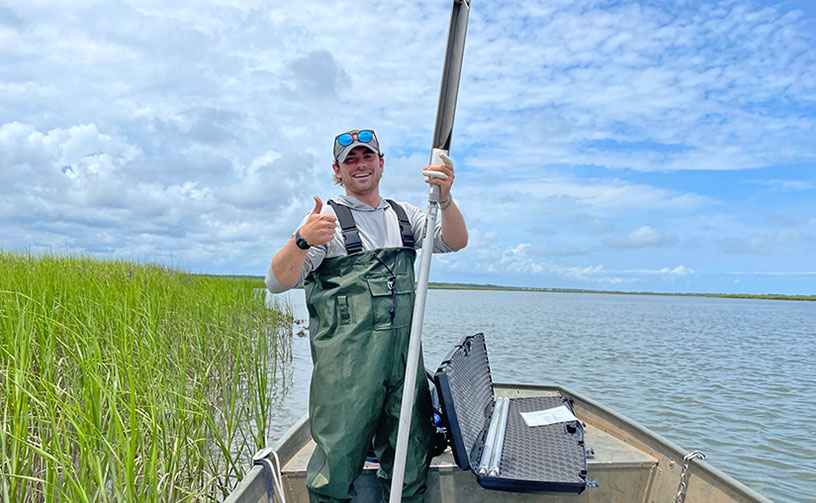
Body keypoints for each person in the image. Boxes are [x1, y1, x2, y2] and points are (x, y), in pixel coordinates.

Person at [265, 129, 467, 503]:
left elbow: (455, 240)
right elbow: (276, 282)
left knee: (409, 461)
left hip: (404, 369)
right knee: (334, 470)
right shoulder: (324, 222)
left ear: (381, 163)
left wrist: (447, 198)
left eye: (367, 157)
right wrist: (301, 241)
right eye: (351, 160)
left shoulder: (408, 216)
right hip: (345, 377)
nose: (360, 165)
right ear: (337, 170)